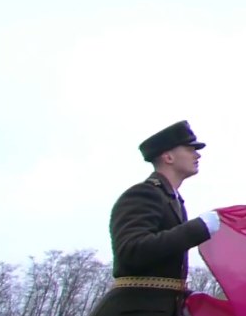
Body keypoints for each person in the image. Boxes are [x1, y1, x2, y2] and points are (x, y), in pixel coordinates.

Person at [88, 120, 221, 316]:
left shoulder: (173, 200)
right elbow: (132, 251)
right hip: (133, 309)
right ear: (168, 157)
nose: (197, 154)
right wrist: (199, 228)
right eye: (189, 148)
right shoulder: (144, 193)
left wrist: (185, 296)